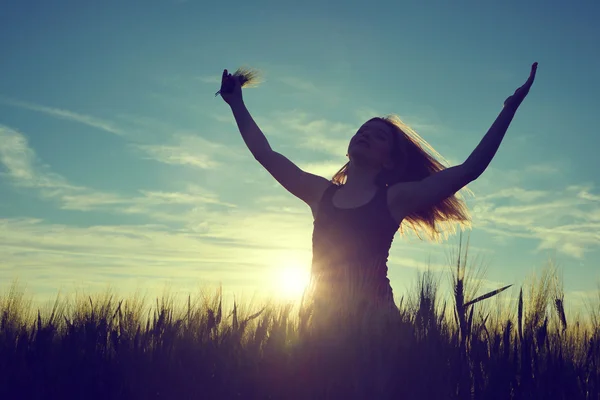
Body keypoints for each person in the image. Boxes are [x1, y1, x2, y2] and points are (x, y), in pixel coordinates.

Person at [218, 63, 538, 314]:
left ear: (388, 162)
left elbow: (469, 169)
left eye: (379, 136)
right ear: (348, 147)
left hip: (377, 325)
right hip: (323, 323)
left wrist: (509, 109)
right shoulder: (320, 193)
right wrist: (237, 105)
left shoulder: (393, 199)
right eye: (363, 130)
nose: (367, 135)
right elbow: (266, 154)